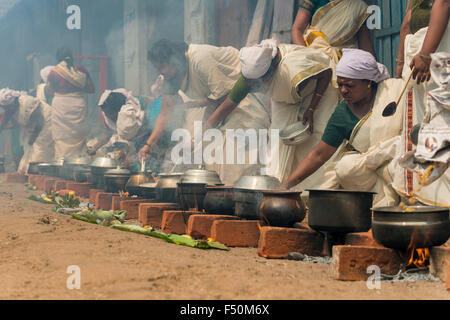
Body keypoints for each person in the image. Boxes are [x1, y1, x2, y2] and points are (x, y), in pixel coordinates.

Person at [282, 49, 409, 207]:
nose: (343, 91)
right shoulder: (343, 113)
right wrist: (286, 186)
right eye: (340, 84)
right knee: (345, 168)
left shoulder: (394, 93)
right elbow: (319, 154)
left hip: (403, 162)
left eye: (349, 85)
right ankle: (381, 201)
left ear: (368, 82)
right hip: (374, 175)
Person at [206, 39, 339, 189]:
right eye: (249, 82)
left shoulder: (291, 68)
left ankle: (310, 194)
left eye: (256, 82)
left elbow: (326, 73)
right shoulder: (250, 75)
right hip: (288, 95)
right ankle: (275, 190)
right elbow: (225, 107)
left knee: (313, 140)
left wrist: (311, 109)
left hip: (320, 89)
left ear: (270, 73)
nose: (252, 86)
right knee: (276, 142)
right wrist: (198, 136)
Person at [139, 39, 271, 184]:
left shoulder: (201, 59)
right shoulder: (171, 77)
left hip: (243, 104)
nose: (160, 73)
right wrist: (149, 144)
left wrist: (198, 137)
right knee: (211, 164)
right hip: (219, 108)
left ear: (174, 59)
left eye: (162, 67)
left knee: (233, 165)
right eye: (157, 69)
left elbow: (227, 99)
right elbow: (165, 112)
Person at [389, 52, 450, 206]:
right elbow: (405, 27)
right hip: (422, 59)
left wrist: (425, 54)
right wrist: (402, 61)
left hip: (429, 57)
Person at [90, 88, 172, 172]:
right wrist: (95, 147)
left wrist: (148, 145)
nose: (108, 116)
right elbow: (108, 132)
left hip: (161, 134)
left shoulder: (144, 111)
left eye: (110, 114)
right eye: (106, 114)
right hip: (145, 142)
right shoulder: (112, 117)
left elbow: (160, 128)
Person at [46, 46, 95, 159]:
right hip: (78, 105)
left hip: (60, 107)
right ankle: (80, 161)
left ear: (58, 58)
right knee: (78, 138)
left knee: (62, 140)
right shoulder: (81, 70)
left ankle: (62, 162)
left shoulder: (54, 73)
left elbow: (48, 92)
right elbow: (91, 89)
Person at [291, 0, 376, 63]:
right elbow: (297, 30)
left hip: (343, 62)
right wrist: (307, 56)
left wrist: (375, 67)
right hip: (314, 56)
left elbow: (365, 43)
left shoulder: (358, 7)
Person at [0, 88, 53, 175]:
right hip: (32, 126)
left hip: (44, 124)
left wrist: (32, 140)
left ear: (12, 103)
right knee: (28, 151)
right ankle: (26, 174)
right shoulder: (11, 108)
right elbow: (5, 121)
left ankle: (41, 175)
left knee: (39, 151)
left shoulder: (26, 103)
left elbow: (39, 122)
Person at [396, 0, 449, 83]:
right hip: (421, 54)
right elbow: (408, 20)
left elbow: (444, 2)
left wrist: (425, 55)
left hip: (437, 47)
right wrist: (401, 62)